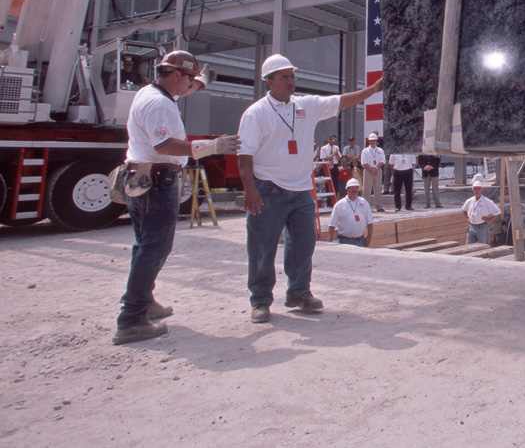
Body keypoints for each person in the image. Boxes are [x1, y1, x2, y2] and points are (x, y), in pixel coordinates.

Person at [237, 54, 382, 324]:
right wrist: (249, 189)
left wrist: (372, 90)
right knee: (261, 247)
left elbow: (341, 100)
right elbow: (244, 156)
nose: (291, 81)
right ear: (269, 82)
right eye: (284, 77)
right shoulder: (256, 114)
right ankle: (260, 300)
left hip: (301, 190)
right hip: (268, 188)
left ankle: (299, 293)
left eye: (292, 76)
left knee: (303, 244)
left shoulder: (306, 106)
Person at [114, 51, 238, 345]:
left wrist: (203, 80)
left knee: (144, 245)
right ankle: (131, 318)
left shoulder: (151, 92)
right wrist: (212, 146)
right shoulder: (160, 104)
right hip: (156, 182)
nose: (190, 87)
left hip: (142, 178)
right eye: (189, 80)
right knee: (155, 248)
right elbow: (166, 144)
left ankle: (142, 300)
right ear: (177, 75)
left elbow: (187, 91)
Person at [326, 178, 373, 247]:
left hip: (360, 241)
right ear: (347, 190)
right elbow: (332, 225)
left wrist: (369, 237)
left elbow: (370, 222)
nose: (354, 190)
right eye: (352, 188)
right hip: (345, 242)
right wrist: (329, 243)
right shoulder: (339, 204)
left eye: (356, 188)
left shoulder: (364, 202)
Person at [461, 178, 501, 244]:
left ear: (481, 190)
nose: (477, 191)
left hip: (482, 227)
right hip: (471, 227)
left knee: (482, 246)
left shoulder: (487, 201)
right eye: (475, 189)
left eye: (478, 189)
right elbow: (464, 209)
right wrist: (468, 218)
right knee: (468, 246)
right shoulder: (469, 201)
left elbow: (498, 211)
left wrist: (490, 219)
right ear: (473, 190)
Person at [360, 133, 386, 212]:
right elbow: (364, 162)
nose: (373, 142)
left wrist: (376, 168)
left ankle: (379, 206)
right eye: (371, 140)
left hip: (378, 170)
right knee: (366, 189)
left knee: (378, 189)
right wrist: (371, 169)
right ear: (369, 141)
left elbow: (382, 161)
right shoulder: (365, 151)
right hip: (368, 170)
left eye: (374, 140)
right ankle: (365, 207)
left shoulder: (380, 150)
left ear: (376, 141)